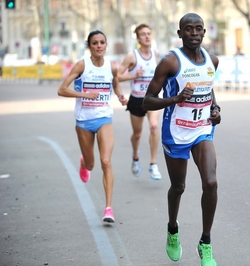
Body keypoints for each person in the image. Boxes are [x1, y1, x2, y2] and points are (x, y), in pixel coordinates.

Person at [143, 13, 221, 266]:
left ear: (204, 32)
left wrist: (215, 109)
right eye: (189, 29)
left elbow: (208, 88)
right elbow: (148, 101)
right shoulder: (170, 62)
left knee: (210, 182)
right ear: (180, 33)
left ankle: (205, 242)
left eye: (199, 29)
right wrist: (175, 99)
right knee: (179, 187)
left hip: (201, 129)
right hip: (175, 132)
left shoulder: (212, 60)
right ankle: (173, 230)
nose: (194, 33)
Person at [57, 30, 128, 223]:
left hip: (104, 118)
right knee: (92, 164)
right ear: (89, 46)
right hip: (83, 121)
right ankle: (84, 163)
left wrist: (121, 96)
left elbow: (116, 84)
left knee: (106, 161)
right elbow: (61, 90)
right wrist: (84, 95)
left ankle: (108, 208)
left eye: (102, 42)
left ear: (106, 45)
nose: (99, 46)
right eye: (95, 43)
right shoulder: (82, 65)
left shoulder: (112, 67)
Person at [118, 24, 162, 180]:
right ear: (137, 38)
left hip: (152, 98)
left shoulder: (156, 55)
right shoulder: (132, 56)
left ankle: (153, 164)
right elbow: (117, 76)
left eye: (149, 33)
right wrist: (134, 75)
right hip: (136, 99)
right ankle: (135, 156)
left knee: (154, 126)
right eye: (143, 34)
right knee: (137, 134)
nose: (147, 36)